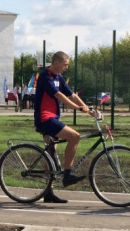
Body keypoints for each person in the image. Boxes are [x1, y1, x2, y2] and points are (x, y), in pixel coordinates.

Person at [33, 51, 94, 204]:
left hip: (52, 118)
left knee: (51, 155)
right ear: (56, 63)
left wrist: (87, 108)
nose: (67, 67)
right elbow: (60, 96)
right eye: (65, 64)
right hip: (44, 119)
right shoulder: (45, 76)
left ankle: (48, 193)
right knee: (74, 136)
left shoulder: (58, 77)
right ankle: (67, 175)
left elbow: (72, 94)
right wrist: (78, 108)